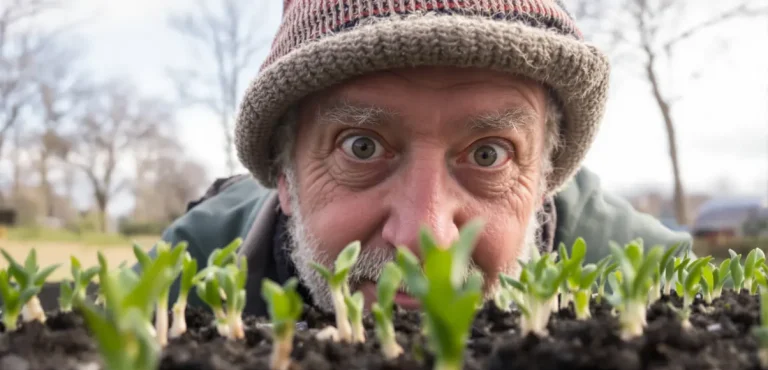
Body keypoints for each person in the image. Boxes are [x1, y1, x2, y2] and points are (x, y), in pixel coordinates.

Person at [150, 0, 692, 317]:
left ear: (547, 178)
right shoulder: (183, 275)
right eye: (360, 147)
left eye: (489, 154)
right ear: (284, 177)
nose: (424, 237)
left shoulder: (653, 280)